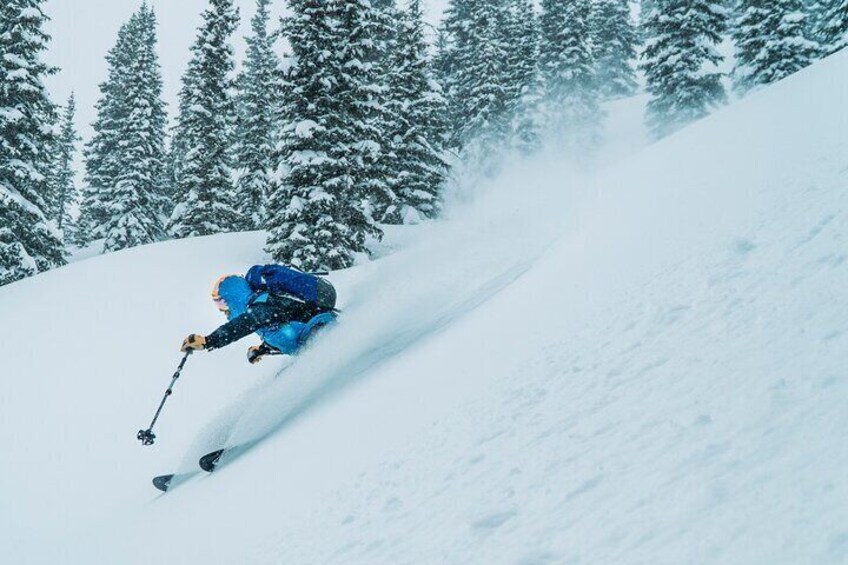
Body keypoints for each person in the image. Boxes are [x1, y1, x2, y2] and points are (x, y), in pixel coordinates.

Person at [181, 264, 338, 364]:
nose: (222, 309)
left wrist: (209, 341)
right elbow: (285, 329)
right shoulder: (262, 308)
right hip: (316, 337)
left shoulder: (261, 306)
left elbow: (243, 324)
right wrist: (263, 349)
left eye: (222, 302)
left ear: (234, 296)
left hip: (321, 330)